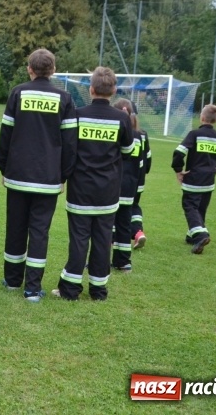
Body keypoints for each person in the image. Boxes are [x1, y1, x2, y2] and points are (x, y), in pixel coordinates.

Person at [0, 48, 77, 302]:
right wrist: (63, 175)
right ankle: (32, 288)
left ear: (29, 69)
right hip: (48, 177)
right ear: (53, 70)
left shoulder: (18, 93)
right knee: (40, 232)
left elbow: (6, 134)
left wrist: (4, 167)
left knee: (15, 227)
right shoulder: (65, 98)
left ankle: (12, 280)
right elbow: (70, 142)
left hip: (18, 173)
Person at [54, 66, 134, 301]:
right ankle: (98, 291)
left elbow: (69, 149)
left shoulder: (77, 115)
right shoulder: (122, 118)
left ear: (90, 89)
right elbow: (128, 151)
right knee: (102, 240)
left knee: (79, 240)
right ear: (114, 90)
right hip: (108, 190)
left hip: (80, 189)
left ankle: (70, 289)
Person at [172, 104, 216, 254]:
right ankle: (191, 236)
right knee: (200, 208)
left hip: (193, 178)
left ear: (201, 117)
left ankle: (201, 235)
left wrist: (178, 170)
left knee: (190, 207)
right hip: (209, 181)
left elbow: (179, 152)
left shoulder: (194, 134)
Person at [110, 98, 142, 272]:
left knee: (106, 225)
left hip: (114, 184)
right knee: (124, 224)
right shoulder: (139, 136)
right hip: (130, 186)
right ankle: (123, 261)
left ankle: (99, 261)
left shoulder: (116, 132)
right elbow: (142, 164)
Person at [131, 106, 152, 249]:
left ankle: (114, 237)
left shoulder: (123, 132)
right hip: (138, 179)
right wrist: (145, 172)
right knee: (134, 206)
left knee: (118, 208)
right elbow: (148, 156)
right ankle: (138, 232)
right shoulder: (142, 134)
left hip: (122, 179)